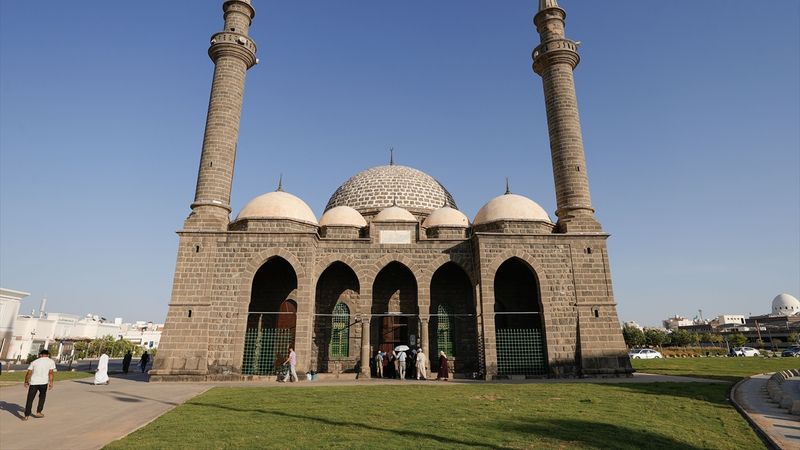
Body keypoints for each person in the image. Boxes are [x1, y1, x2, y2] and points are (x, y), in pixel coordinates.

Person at [23, 349, 55, 420]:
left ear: (40, 355)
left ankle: (26, 415)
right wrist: (51, 383)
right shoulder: (51, 362)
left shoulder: (34, 362)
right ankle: (38, 412)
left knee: (30, 399)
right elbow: (51, 373)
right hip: (43, 383)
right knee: (42, 397)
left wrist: (26, 381)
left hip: (34, 382)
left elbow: (29, 373)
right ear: (48, 355)